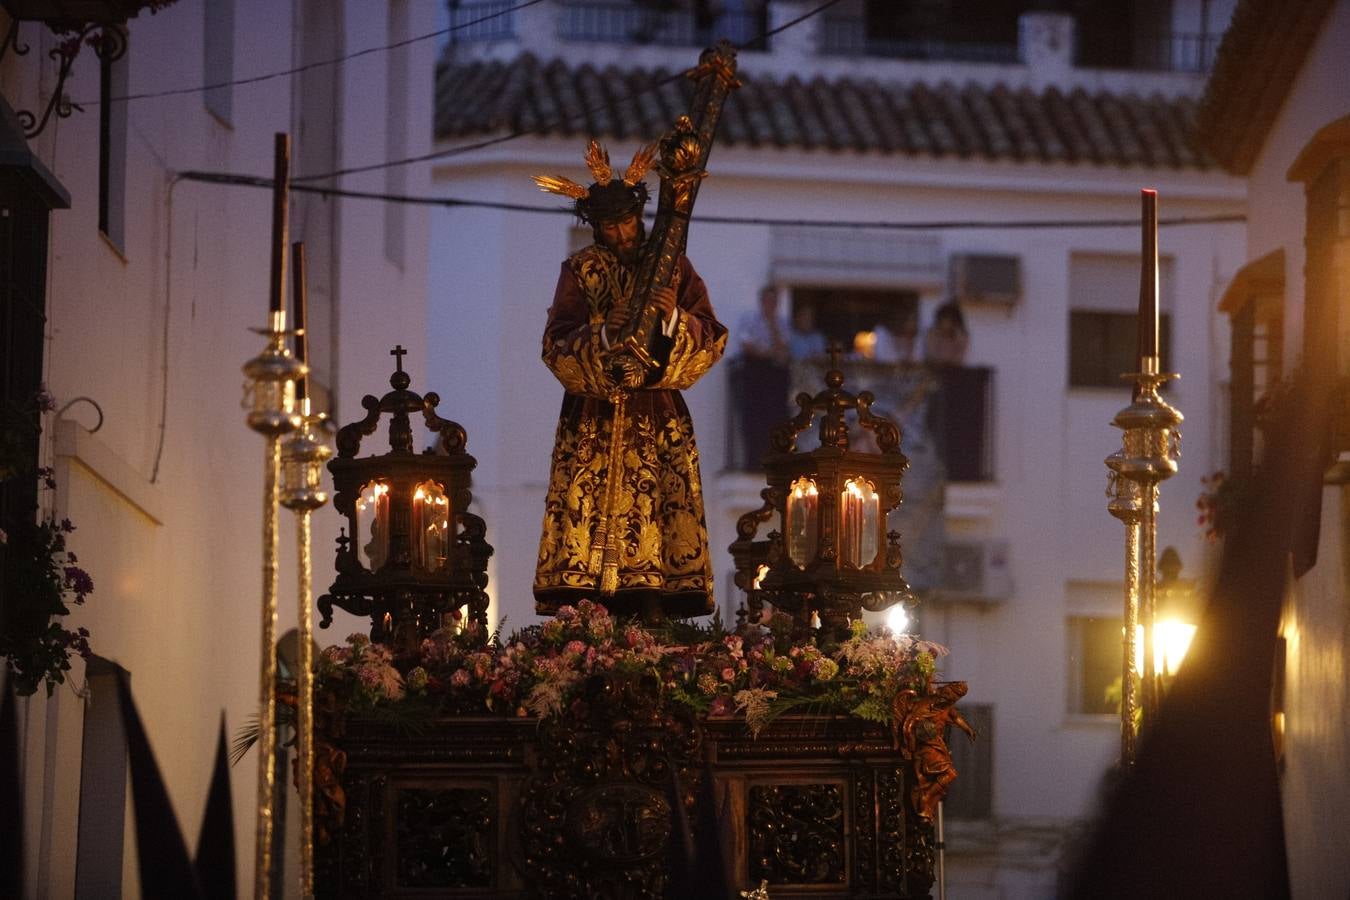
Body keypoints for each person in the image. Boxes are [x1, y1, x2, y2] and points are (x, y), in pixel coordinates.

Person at [531, 141, 727, 620]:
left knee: (658, 506)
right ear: (595, 227)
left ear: (640, 216)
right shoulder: (581, 271)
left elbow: (712, 337)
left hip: (656, 414)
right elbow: (555, 345)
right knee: (589, 511)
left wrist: (672, 320)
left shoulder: (672, 267)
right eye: (608, 226)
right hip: (594, 420)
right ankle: (587, 609)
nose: (619, 234)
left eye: (625, 222)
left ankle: (654, 601)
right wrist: (602, 332)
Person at [923, 301, 969, 366]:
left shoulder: (961, 336)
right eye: (944, 319)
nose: (947, 323)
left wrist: (957, 335)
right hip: (934, 369)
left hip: (955, 370)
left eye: (950, 320)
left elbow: (959, 358)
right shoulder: (932, 333)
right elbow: (931, 355)